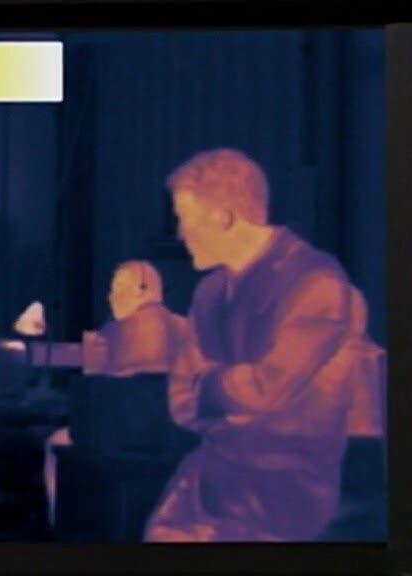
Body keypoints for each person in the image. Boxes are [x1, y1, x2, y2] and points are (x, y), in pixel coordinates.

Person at [143, 148, 379, 542]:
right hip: (211, 481)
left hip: (284, 496)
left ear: (223, 218)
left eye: (184, 219)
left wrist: (211, 386)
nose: (179, 234)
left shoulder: (316, 282)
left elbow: (266, 390)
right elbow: (181, 400)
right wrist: (237, 396)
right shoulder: (208, 294)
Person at [43, 260, 190, 526]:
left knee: (56, 442)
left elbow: (90, 398)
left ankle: (61, 525)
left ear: (143, 289)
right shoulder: (190, 328)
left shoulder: (107, 334)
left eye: (118, 288)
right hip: (181, 443)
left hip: (125, 442)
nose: (111, 298)